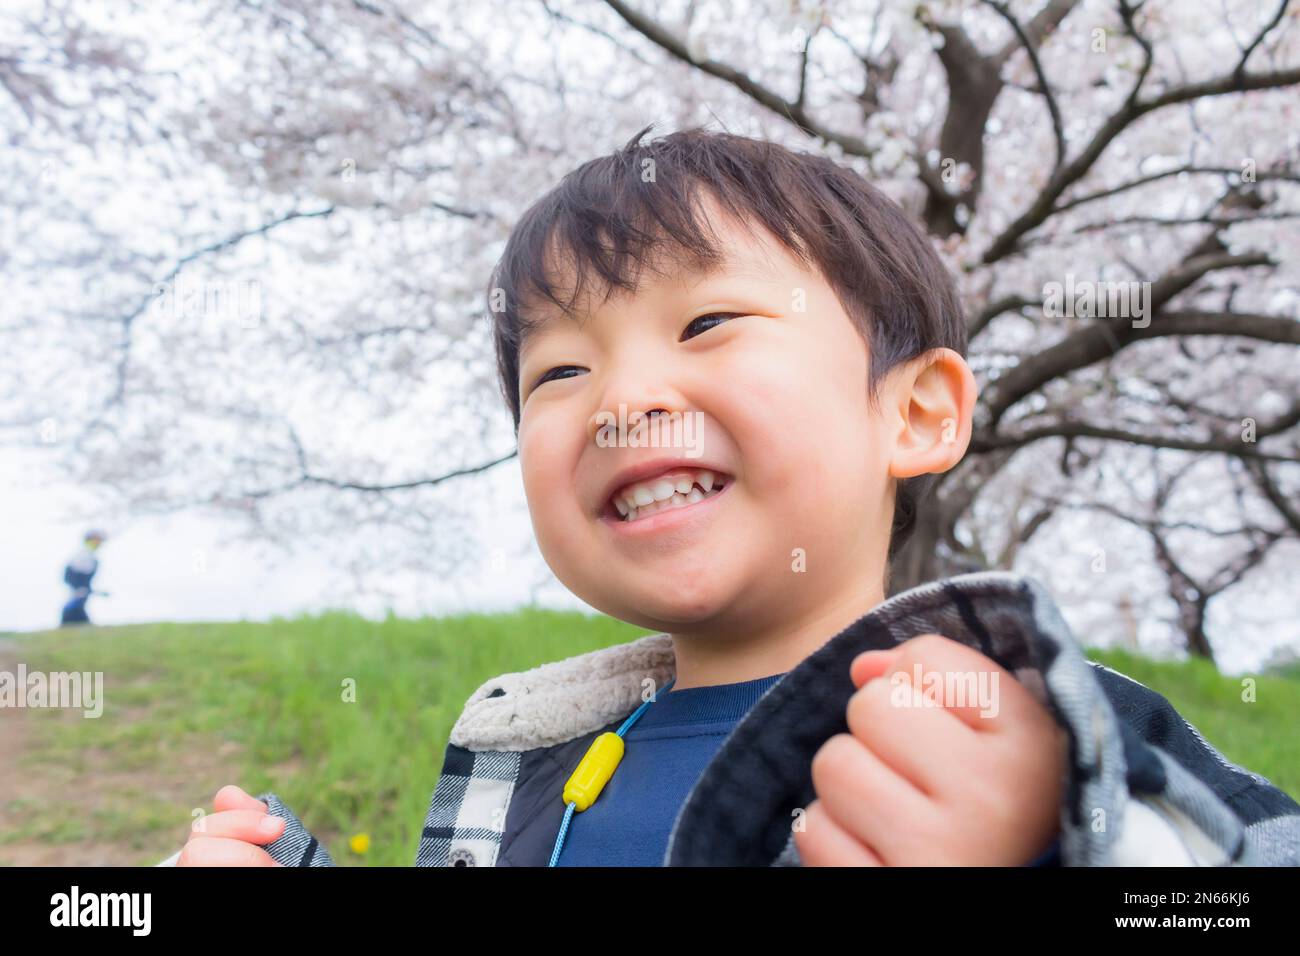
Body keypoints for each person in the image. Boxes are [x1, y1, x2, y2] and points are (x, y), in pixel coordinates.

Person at [166, 128, 1300, 867]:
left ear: (911, 414)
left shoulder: (1034, 736)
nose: (620, 401)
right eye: (558, 373)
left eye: (707, 322)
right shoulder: (532, 763)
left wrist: (1057, 839)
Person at [60, 529, 107, 627]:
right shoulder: (83, 554)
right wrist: (78, 587)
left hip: (82, 588)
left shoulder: (91, 555)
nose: (99, 543)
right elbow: (69, 574)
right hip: (78, 588)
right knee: (75, 606)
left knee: (79, 605)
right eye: (96, 540)